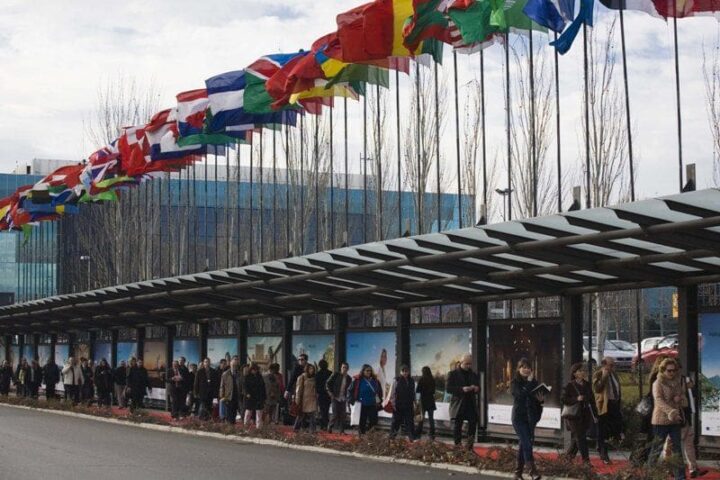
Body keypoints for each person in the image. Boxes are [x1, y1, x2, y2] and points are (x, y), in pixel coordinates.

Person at [648, 358, 687, 480]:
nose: (672, 373)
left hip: (675, 420)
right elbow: (659, 401)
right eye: (669, 370)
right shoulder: (657, 383)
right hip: (660, 420)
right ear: (663, 370)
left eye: (674, 370)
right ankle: (649, 475)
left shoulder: (677, 382)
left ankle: (680, 477)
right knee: (656, 449)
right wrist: (671, 411)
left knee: (677, 450)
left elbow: (682, 396)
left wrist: (680, 399)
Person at [511, 358, 544, 480]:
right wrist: (529, 383)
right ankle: (532, 471)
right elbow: (520, 396)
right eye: (523, 367)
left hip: (530, 418)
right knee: (527, 443)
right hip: (519, 418)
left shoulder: (535, 383)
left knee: (523, 444)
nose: (526, 370)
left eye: (528, 367)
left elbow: (537, 401)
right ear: (518, 369)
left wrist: (541, 401)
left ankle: (517, 473)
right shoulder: (515, 383)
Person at [562, 362, 597, 465]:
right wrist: (576, 399)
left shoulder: (587, 384)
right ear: (574, 373)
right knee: (581, 438)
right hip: (573, 416)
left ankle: (568, 458)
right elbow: (563, 399)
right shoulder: (570, 385)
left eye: (584, 370)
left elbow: (592, 400)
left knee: (577, 438)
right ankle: (586, 461)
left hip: (585, 415)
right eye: (580, 371)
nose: (583, 372)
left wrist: (595, 414)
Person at [593, 357, 623, 464]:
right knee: (603, 429)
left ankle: (602, 444)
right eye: (610, 365)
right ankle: (603, 451)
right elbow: (597, 389)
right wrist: (604, 376)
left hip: (614, 404)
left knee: (617, 425)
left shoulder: (614, 374)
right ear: (604, 365)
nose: (612, 367)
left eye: (613, 365)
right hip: (604, 405)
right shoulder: (598, 374)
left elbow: (617, 388)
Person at [447, 354, 480, 450]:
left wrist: (476, 388)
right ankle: (457, 446)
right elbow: (448, 388)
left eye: (470, 364)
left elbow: (478, 387)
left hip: (470, 404)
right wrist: (462, 389)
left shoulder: (473, 374)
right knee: (458, 425)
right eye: (467, 364)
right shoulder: (453, 374)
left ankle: (469, 447)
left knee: (473, 424)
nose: (469, 366)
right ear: (461, 363)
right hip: (459, 404)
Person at [349, 364, 382, 435]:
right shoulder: (357, 380)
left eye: (370, 370)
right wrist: (352, 401)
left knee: (373, 421)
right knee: (362, 422)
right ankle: (361, 436)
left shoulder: (375, 380)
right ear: (363, 371)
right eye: (367, 371)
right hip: (361, 405)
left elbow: (380, 392)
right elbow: (350, 390)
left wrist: (379, 402)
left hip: (372, 404)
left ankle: (370, 435)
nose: (369, 372)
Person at [389, 364, 416, 441]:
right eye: (403, 371)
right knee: (396, 422)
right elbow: (392, 393)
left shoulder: (411, 381)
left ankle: (411, 438)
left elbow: (413, 392)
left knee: (410, 422)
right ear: (400, 372)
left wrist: (414, 402)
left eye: (406, 371)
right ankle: (392, 438)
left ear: (408, 371)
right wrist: (393, 405)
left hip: (409, 405)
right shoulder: (396, 380)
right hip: (398, 405)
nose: (404, 372)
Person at [326, 362, 351, 434]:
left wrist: (348, 397)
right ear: (341, 368)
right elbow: (327, 383)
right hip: (335, 397)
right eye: (343, 367)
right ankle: (330, 426)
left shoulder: (349, 378)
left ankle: (342, 430)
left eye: (346, 368)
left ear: (348, 369)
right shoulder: (336, 375)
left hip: (343, 398)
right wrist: (330, 393)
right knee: (335, 414)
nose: (344, 369)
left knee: (343, 415)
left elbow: (349, 388)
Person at [293, 363, 318, 433]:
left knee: (312, 415)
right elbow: (298, 389)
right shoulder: (302, 377)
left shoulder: (313, 378)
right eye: (310, 369)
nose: (312, 370)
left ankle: (313, 430)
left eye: (313, 369)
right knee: (301, 415)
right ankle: (296, 428)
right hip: (303, 399)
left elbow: (315, 388)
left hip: (312, 399)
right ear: (307, 369)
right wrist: (297, 400)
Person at [219, 356, 243, 424]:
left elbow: (242, 386)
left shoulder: (240, 374)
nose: (235, 363)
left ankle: (232, 425)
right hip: (229, 397)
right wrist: (222, 396)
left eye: (237, 361)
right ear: (230, 363)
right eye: (234, 360)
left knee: (236, 414)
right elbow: (222, 386)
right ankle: (230, 426)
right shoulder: (225, 374)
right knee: (229, 415)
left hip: (237, 397)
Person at [416, 366, 437, 440]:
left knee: (421, 418)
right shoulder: (432, 379)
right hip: (430, 401)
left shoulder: (421, 379)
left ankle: (418, 433)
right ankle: (432, 434)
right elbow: (433, 391)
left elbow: (417, 390)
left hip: (423, 401)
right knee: (431, 418)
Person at [244, 363, 266, 428]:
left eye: (256, 370)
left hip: (259, 397)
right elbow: (245, 387)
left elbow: (263, 387)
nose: (255, 371)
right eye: (254, 369)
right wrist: (247, 393)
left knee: (259, 413)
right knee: (248, 412)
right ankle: (246, 426)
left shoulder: (260, 377)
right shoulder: (247, 377)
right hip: (250, 397)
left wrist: (264, 397)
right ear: (251, 370)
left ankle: (259, 427)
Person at [315, 359, 332, 430]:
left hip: (321, 394)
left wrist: (317, 392)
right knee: (326, 410)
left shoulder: (317, 374)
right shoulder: (330, 373)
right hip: (328, 394)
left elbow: (316, 385)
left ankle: (323, 425)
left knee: (322, 410)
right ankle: (326, 424)